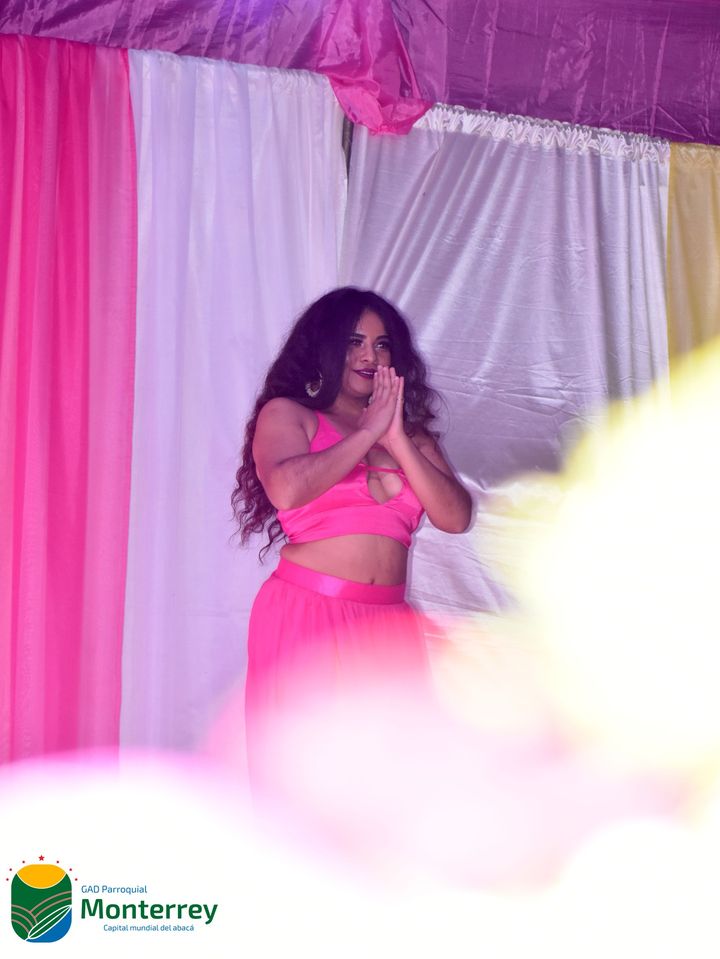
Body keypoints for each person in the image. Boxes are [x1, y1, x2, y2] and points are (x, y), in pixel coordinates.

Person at [232, 287, 471, 781]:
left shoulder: (411, 437)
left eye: (382, 345)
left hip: (388, 625)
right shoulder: (289, 414)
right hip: (308, 614)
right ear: (324, 347)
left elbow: (455, 517)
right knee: (308, 778)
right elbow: (286, 489)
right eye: (354, 342)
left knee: (390, 785)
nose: (370, 355)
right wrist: (365, 434)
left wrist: (395, 437)